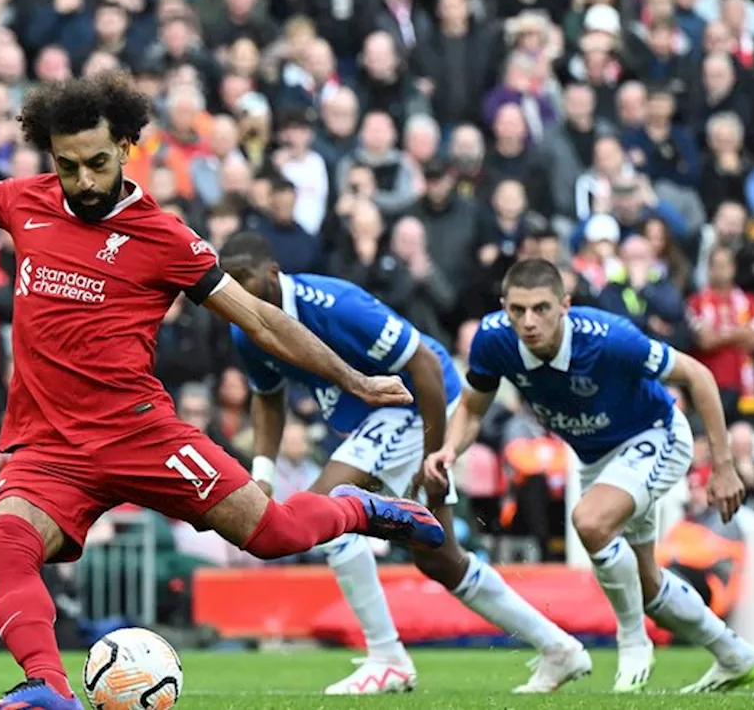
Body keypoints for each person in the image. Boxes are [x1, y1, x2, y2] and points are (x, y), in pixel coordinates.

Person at [0, 70, 444, 710]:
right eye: (65, 165)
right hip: (51, 444)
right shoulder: (24, 202)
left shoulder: (166, 238)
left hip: (142, 431)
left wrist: (353, 379)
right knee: (7, 538)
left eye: (96, 163)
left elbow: (262, 319)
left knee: (273, 533)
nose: (82, 181)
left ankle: (359, 508)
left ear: (125, 147)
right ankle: (45, 687)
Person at [218, 232, 587, 694]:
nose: (234, 292)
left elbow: (427, 365)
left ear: (272, 275)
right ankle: (560, 649)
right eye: (226, 282)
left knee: (322, 508)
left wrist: (436, 454)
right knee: (441, 561)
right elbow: (268, 400)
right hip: (379, 420)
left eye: (243, 280)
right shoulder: (246, 328)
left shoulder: (334, 305)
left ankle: (387, 658)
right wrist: (264, 475)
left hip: (419, 406)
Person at [424, 258, 754, 694]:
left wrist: (724, 466)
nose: (528, 322)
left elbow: (698, 374)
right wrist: (450, 448)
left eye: (541, 308)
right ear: (505, 307)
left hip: (655, 434)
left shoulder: (610, 339)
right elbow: (471, 407)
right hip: (596, 456)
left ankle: (632, 640)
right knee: (647, 582)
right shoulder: (493, 341)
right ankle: (736, 656)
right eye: (518, 310)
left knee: (590, 520)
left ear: (565, 305)